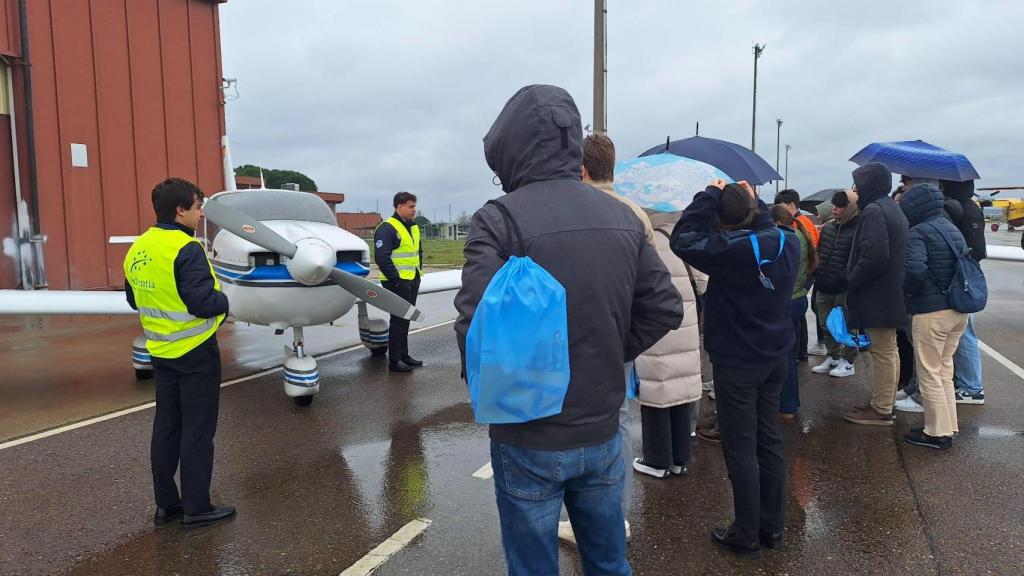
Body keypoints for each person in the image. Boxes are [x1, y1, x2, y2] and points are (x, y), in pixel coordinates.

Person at [455, 84, 683, 576]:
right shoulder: (622, 216)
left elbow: (475, 329)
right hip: (602, 428)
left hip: (527, 433)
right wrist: (607, 350)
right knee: (608, 561)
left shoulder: (498, 219)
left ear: (508, 148)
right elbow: (665, 307)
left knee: (533, 566)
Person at [672, 180, 799, 559]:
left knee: (741, 446)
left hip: (737, 361)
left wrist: (709, 196)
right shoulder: (788, 242)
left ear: (724, 222)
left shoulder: (731, 251)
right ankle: (771, 526)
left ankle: (745, 530)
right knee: (769, 440)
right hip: (775, 356)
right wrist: (751, 201)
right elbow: (762, 226)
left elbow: (684, 238)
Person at [557, 132, 653, 546]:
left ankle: (589, 521)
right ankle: (615, 517)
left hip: (576, 343)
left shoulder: (568, 210)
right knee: (618, 424)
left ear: (581, 168)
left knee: (572, 431)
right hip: (622, 343)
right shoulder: (636, 213)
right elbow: (654, 295)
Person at [123, 177, 234, 528]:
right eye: (198, 207)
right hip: (195, 352)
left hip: (161, 351)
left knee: (166, 428)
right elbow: (203, 302)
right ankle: (197, 508)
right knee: (198, 431)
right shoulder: (187, 249)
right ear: (180, 210)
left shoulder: (139, 248)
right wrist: (226, 300)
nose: (201, 214)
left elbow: (132, 299)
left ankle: (166, 504)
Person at [631, 211, 703, 477]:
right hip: (685, 322)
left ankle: (657, 461)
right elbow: (704, 283)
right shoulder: (688, 238)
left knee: (657, 391)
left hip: (654, 324)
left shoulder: (646, 240)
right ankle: (680, 458)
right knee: (681, 388)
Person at [900, 184, 970, 449]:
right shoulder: (953, 229)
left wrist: (908, 294)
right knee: (944, 370)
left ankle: (936, 432)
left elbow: (915, 271)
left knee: (928, 372)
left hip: (931, 311)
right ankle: (948, 424)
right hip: (957, 309)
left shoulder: (918, 232)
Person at [843, 163, 909, 426]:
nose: (854, 190)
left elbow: (873, 256)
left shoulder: (874, 210)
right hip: (890, 292)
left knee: (883, 352)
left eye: (857, 183)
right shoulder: (891, 207)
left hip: (878, 293)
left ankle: (881, 408)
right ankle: (883, 402)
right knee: (889, 351)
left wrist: (852, 280)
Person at [940, 179, 986, 405]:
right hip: (964, 276)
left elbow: (977, 250)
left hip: (962, 279)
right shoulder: (969, 207)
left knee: (966, 334)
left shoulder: (962, 210)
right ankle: (968, 383)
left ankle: (972, 387)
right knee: (963, 332)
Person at [771, 204, 817, 420]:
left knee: (784, 356)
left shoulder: (784, 239)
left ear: (778, 223)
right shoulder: (800, 234)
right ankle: (788, 405)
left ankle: (786, 405)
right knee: (789, 354)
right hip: (798, 299)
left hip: (786, 301)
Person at [373, 192, 424, 373]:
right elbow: (381, 257)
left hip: (412, 279)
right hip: (397, 282)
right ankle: (394, 361)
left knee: (406, 319)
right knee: (398, 320)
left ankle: (404, 355)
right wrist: (396, 280)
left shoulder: (414, 227)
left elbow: (417, 252)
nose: (414, 210)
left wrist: (417, 274)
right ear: (399, 206)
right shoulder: (387, 228)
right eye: (411, 206)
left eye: (414, 206)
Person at [811, 190, 860, 378]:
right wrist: (817, 271)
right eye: (834, 205)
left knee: (847, 326)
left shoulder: (858, 229)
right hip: (824, 283)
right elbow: (820, 252)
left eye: (840, 206)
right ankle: (833, 356)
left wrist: (847, 277)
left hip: (844, 287)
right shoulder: (829, 228)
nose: (835, 209)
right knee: (825, 324)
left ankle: (848, 362)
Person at [774, 189, 819, 359]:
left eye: (782, 206)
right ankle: (800, 353)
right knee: (799, 321)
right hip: (805, 276)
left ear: (792, 205)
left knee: (797, 324)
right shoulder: (803, 222)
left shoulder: (800, 225)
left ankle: (800, 353)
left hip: (802, 276)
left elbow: (807, 251)